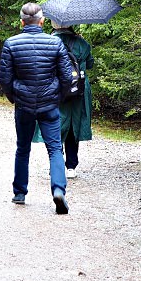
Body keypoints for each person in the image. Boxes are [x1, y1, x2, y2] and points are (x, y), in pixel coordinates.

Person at [0, 3, 74, 214]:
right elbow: (66, 76)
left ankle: (20, 192)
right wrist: (57, 96)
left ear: (22, 22)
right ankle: (58, 189)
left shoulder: (11, 44)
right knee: (55, 148)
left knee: (23, 148)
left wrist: (15, 96)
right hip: (49, 104)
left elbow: (4, 78)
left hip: (24, 104)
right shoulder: (55, 42)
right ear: (41, 21)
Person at [51, 21, 93, 178]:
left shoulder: (50, 41)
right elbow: (90, 64)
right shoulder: (82, 43)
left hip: (57, 89)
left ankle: (56, 165)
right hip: (79, 89)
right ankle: (71, 166)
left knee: (56, 124)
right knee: (74, 125)